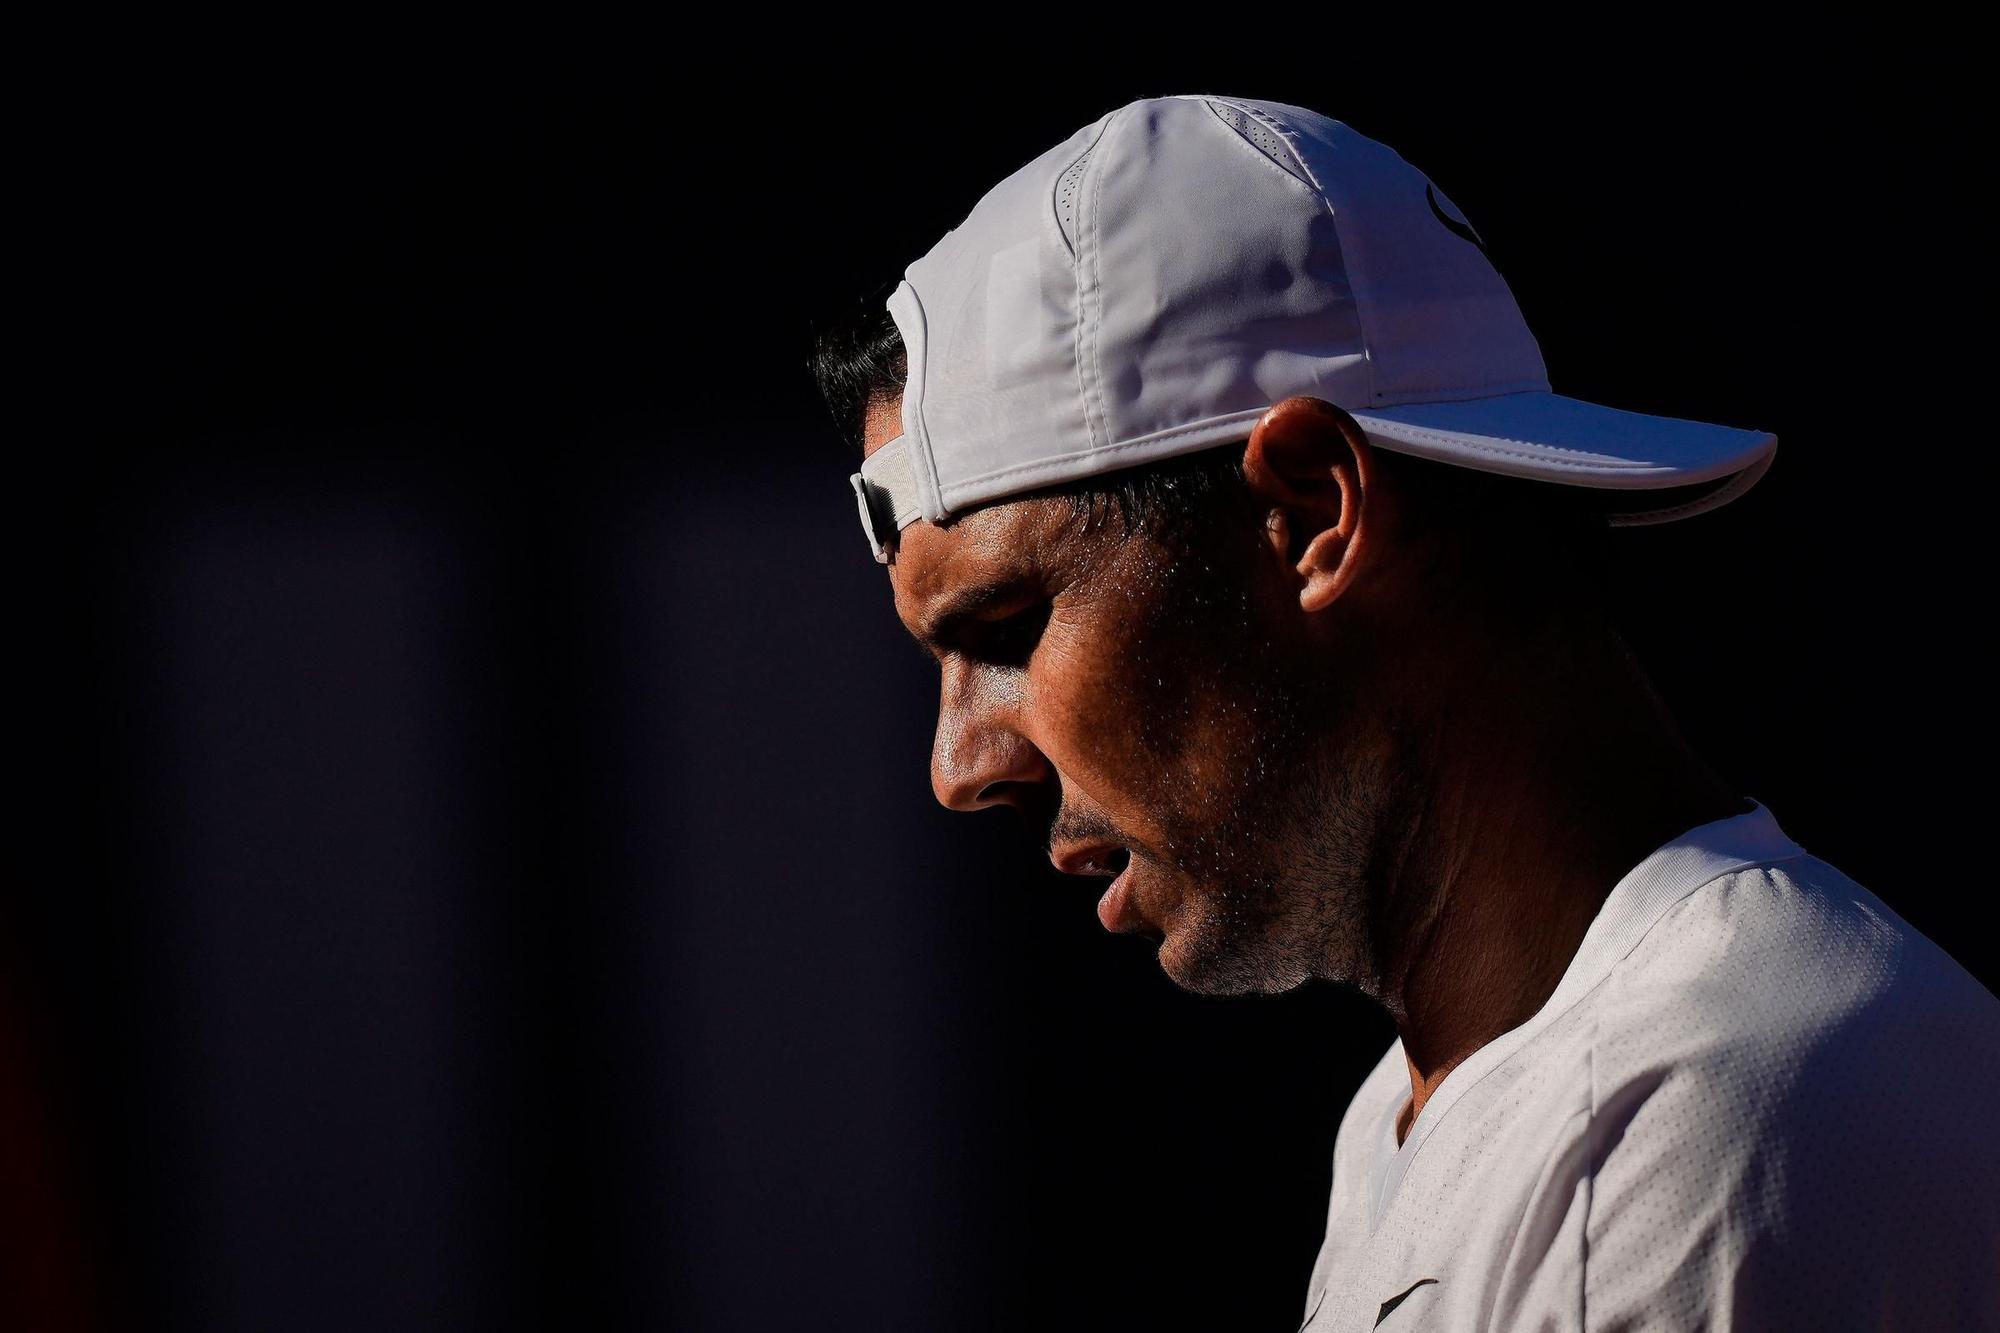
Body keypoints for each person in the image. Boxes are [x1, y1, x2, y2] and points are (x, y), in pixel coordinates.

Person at [810, 94, 2000, 1331]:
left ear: (1315, 511)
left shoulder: (1690, 1113)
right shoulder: (1442, 1104)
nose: (962, 765)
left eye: (1003, 632)